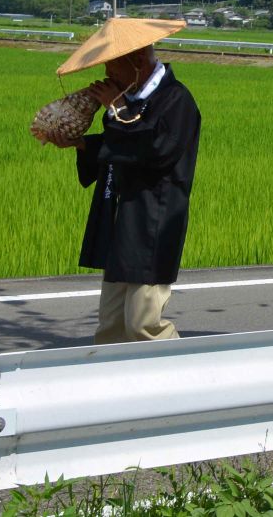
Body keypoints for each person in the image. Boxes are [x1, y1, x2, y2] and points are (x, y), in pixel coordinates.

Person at [59, 18, 201, 344]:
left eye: (113, 68)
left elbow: (154, 151)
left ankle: (185, 379)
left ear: (137, 62)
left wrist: (119, 108)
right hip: (122, 220)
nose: (109, 77)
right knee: (110, 325)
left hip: (155, 220)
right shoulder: (128, 99)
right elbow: (120, 147)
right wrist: (81, 143)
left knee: (142, 323)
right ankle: (113, 388)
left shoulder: (176, 100)